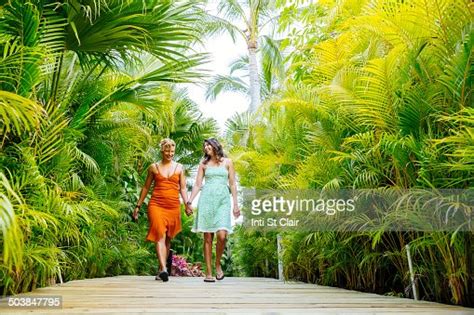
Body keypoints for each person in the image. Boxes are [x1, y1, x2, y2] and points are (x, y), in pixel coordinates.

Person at [132, 138, 191, 282]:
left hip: (173, 206)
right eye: (167, 151)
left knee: (168, 239)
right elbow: (146, 187)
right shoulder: (153, 167)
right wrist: (138, 206)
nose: (170, 154)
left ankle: (161, 269)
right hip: (156, 205)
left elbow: (182, 188)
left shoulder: (179, 168)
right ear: (162, 150)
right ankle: (164, 269)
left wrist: (187, 204)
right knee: (160, 235)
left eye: (172, 151)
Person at [187, 138, 240, 282]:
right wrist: (189, 201)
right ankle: (208, 272)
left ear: (215, 146)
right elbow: (198, 184)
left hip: (223, 201)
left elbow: (233, 184)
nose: (206, 148)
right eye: (204, 146)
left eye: (208, 145)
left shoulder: (228, 162)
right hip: (206, 201)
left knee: (222, 235)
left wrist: (236, 204)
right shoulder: (203, 164)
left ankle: (217, 265)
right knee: (208, 237)